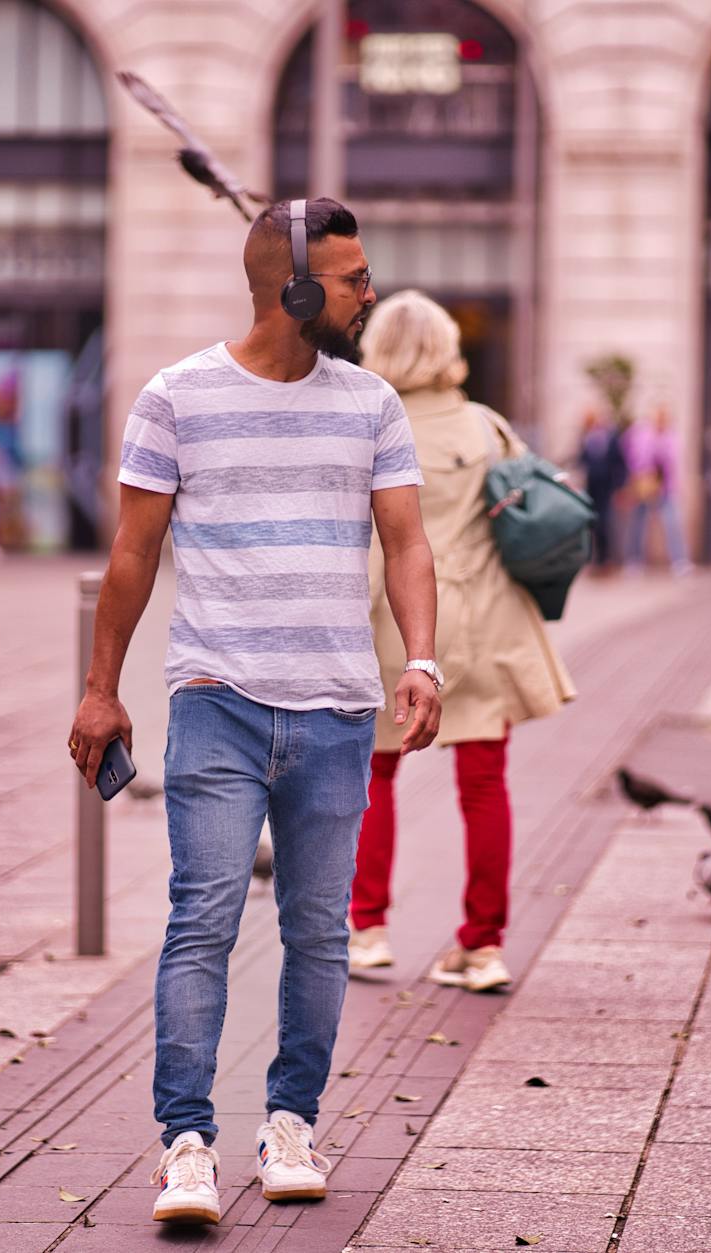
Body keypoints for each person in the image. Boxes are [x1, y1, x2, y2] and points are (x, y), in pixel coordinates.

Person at [67, 198, 441, 1226]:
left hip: (333, 710)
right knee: (203, 920)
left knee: (319, 932)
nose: (371, 290)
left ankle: (291, 1122)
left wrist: (424, 662)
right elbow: (132, 556)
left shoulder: (370, 402)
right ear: (296, 289)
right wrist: (100, 687)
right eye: (354, 275)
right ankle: (185, 1140)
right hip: (216, 702)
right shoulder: (176, 396)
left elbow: (406, 544)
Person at [345, 290, 577, 993]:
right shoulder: (485, 426)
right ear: (446, 348)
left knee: (373, 776)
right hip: (478, 624)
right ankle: (482, 946)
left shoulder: (368, 421)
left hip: (390, 626)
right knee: (483, 783)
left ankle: (368, 928)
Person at [621, 404, 695, 576]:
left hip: (666, 487)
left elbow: (676, 464)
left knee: (672, 523)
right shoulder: (640, 434)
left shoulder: (672, 437)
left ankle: (680, 561)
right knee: (638, 524)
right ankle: (634, 560)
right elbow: (630, 457)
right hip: (644, 486)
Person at [577, 407, 627, 574]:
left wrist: (620, 487)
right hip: (592, 487)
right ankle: (598, 560)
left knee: (606, 523)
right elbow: (582, 459)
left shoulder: (611, 438)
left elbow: (620, 463)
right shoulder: (587, 438)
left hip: (607, 487)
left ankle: (608, 560)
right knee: (593, 523)